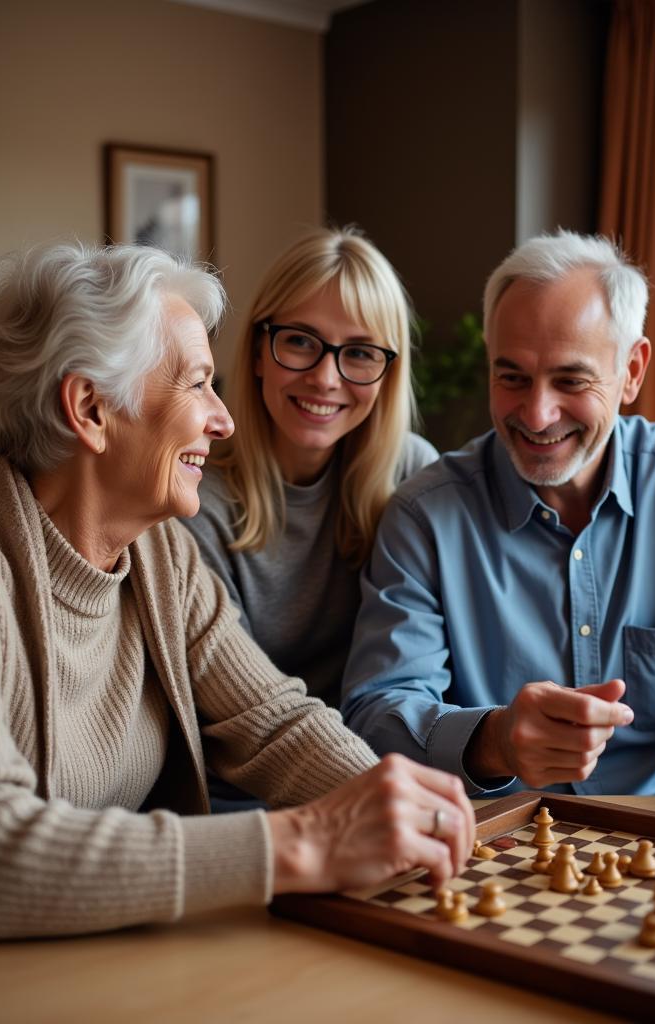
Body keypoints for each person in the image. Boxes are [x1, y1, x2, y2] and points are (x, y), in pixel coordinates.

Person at [0, 242, 473, 1021]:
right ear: (91, 410)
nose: (224, 418)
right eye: (199, 384)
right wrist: (304, 842)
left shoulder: (159, 553)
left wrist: (402, 804)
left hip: (86, 949)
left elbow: (273, 722)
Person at [341, 230, 655, 848]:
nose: (537, 413)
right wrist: (493, 740)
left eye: (571, 380)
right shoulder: (425, 513)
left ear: (631, 371)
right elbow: (376, 711)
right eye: (513, 377)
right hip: (496, 844)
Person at [184, 227, 437, 807]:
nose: (326, 377)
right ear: (254, 351)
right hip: (239, 808)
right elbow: (240, 718)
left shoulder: (415, 476)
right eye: (300, 341)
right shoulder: (197, 496)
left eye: (360, 353)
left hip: (385, 785)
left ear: (387, 370)